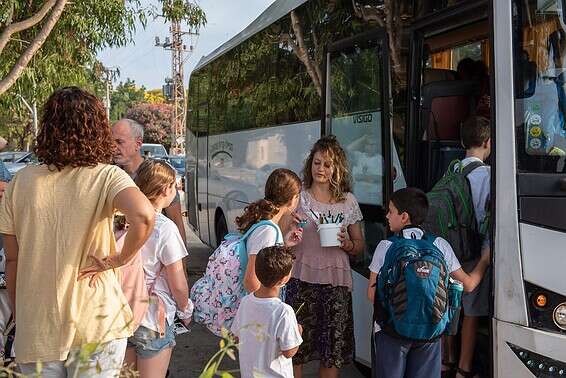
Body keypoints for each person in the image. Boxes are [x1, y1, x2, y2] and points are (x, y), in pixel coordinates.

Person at [0, 87, 155, 376]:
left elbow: (13, 260)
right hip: (97, 322)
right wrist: (119, 260)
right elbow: (145, 216)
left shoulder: (20, 183)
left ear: (47, 127)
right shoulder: (107, 176)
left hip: (38, 326)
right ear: (97, 129)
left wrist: (21, 312)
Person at [366, 187, 490, 378]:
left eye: (391, 211)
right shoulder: (440, 244)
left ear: (404, 216)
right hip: (431, 334)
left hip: (391, 333)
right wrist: (484, 261)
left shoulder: (386, 246)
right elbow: (469, 285)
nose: (387, 216)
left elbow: (372, 295)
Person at [285, 135, 365, 378]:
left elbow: (360, 246)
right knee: (293, 349)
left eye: (327, 164)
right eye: (317, 162)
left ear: (336, 168)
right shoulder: (298, 196)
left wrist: (347, 243)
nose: (320, 168)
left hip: (335, 284)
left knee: (333, 350)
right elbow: (278, 235)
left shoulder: (347, 201)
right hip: (300, 280)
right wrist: (289, 224)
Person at [124, 159, 191, 378]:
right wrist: (186, 310)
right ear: (165, 189)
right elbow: (178, 283)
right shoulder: (164, 229)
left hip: (121, 312)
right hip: (153, 318)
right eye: (174, 186)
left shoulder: (124, 220)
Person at [452, 116, 492, 378]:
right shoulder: (487, 175)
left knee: (449, 307)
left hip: (451, 248)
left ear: (462, 142)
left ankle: (446, 360)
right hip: (475, 250)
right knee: (471, 312)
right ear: (488, 143)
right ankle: (463, 368)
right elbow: (487, 215)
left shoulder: (452, 171)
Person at [112, 118, 187, 247]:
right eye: (111, 142)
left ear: (138, 144)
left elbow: (177, 222)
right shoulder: (109, 175)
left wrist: (183, 265)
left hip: (154, 259)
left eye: (119, 142)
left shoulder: (158, 175)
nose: (113, 147)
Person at [231, 245, 303, 378]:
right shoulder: (284, 311)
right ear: (284, 279)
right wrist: (298, 333)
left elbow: (235, 338)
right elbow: (289, 352)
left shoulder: (246, 302)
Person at [238, 168, 303, 294]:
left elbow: (265, 263)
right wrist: (266, 308)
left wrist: (284, 245)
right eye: (297, 196)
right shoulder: (267, 232)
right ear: (292, 200)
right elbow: (251, 281)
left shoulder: (264, 225)